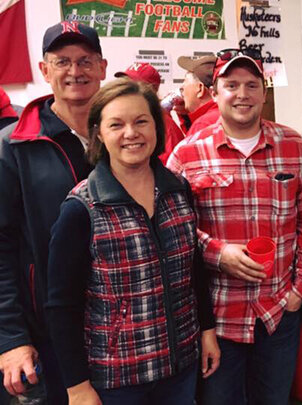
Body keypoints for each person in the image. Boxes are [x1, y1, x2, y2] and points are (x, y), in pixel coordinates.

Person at [44, 78, 219, 405]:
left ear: (157, 125)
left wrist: (206, 330)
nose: (131, 133)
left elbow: (193, 269)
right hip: (117, 380)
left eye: (141, 121)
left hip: (180, 367)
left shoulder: (177, 191)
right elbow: (61, 306)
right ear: (99, 133)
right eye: (116, 124)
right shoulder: (82, 209)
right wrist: (77, 386)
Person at [166, 49, 302, 405]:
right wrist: (217, 254)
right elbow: (173, 229)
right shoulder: (187, 155)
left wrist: (301, 289)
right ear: (215, 91)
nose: (242, 94)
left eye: (252, 85)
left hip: (279, 311)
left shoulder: (292, 145)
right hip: (218, 320)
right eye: (231, 85)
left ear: (264, 94)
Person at [0, 21, 106, 404]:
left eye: (85, 61)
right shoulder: (15, 146)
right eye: (62, 61)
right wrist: (11, 338)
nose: (75, 72)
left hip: (118, 330)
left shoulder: (122, 136)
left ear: (102, 68)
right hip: (47, 332)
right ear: (44, 70)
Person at [115, 62, 187, 164]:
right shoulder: (123, 118)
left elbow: (170, 169)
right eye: (124, 83)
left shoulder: (165, 125)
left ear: (149, 91)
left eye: (131, 85)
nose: (123, 89)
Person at [177, 54, 219, 137]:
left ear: (200, 89)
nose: (181, 88)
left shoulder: (203, 124)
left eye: (185, 81)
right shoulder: (225, 115)